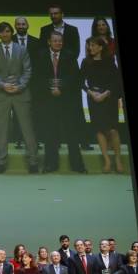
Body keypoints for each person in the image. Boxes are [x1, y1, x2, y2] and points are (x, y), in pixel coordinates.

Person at [0, 22, 38, 174]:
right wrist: (3, 85)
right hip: (1, 93)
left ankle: (33, 161)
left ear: (12, 32)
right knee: (1, 129)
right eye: (2, 32)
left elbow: (28, 70)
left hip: (20, 93)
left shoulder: (21, 49)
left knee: (27, 129)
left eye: (8, 31)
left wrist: (19, 86)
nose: (5, 34)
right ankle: (0, 161)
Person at [33, 31, 87, 173]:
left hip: (67, 100)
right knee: (50, 133)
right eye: (55, 40)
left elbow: (75, 77)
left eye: (60, 41)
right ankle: (51, 164)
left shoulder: (70, 55)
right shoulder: (40, 56)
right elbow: (36, 77)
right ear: (49, 42)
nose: (58, 43)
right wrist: (49, 87)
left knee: (72, 134)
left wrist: (61, 87)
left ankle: (77, 165)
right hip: (47, 100)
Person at [81, 36, 124, 173]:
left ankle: (117, 159)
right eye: (89, 45)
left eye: (93, 45)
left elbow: (116, 81)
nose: (90, 48)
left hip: (108, 98)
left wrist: (105, 94)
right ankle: (107, 161)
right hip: (93, 98)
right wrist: (91, 93)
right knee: (99, 130)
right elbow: (80, 82)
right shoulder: (86, 62)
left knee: (112, 129)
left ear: (100, 47)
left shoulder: (109, 61)